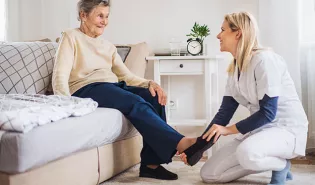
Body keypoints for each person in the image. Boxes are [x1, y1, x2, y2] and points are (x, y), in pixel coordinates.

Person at [52, 0, 198, 180]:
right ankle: (180, 142)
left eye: (106, 16)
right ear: (83, 15)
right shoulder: (70, 37)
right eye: (99, 16)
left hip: (110, 86)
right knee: (134, 102)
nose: (104, 21)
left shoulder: (108, 46)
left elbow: (126, 77)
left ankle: (151, 165)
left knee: (152, 97)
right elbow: (60, 74)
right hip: (85, 88)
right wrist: (65, 104)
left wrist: (149, 83)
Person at [179, 12, 308, 185]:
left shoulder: (264, 61)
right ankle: (263, 159)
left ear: (237, 33)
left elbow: (268, 113)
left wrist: (228, 130)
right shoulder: (235, 69)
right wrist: (196, 150)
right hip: (259, 130)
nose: (218, 35)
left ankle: (280, 165)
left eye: (223, 30)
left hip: (284, 129)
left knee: (247, 153)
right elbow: (223, 116)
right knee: (209, 174)